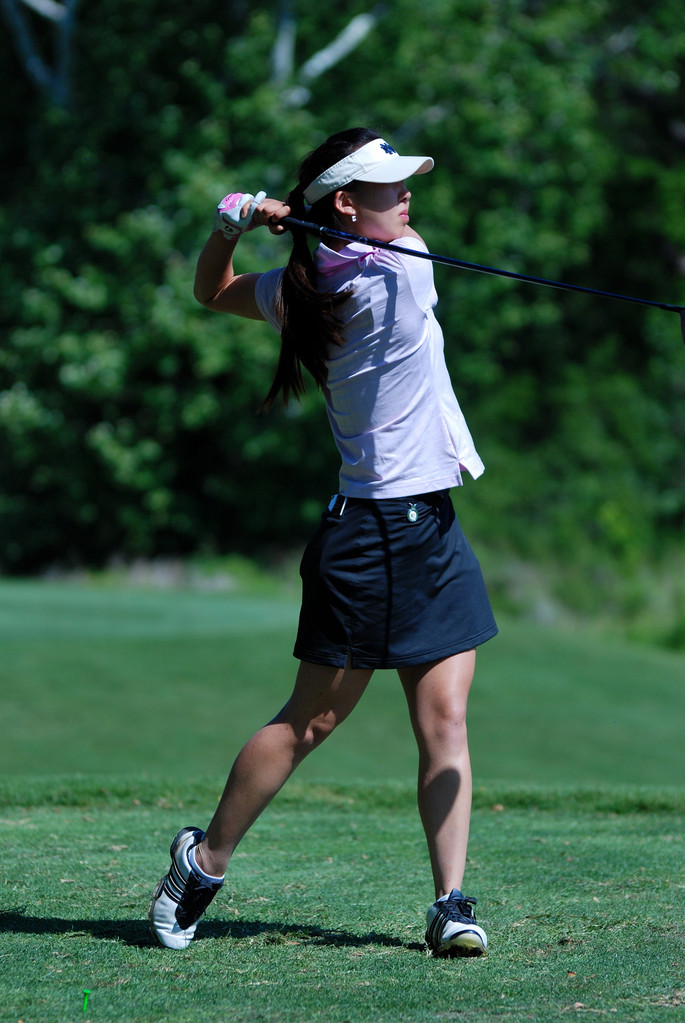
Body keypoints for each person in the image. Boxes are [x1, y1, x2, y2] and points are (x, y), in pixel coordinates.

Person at [148, 127, 498, 957]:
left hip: (430, 525)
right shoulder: (395, 270)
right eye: (386, 187)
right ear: (346, 204)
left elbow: (212, 289)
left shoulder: (304, 283)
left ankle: (450, 902)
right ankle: (201, 861)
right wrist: (270, 221)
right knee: (310, 722)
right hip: (369, 534)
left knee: (444, 717)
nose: (405, 197)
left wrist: (232, 221)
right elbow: (234, 291)